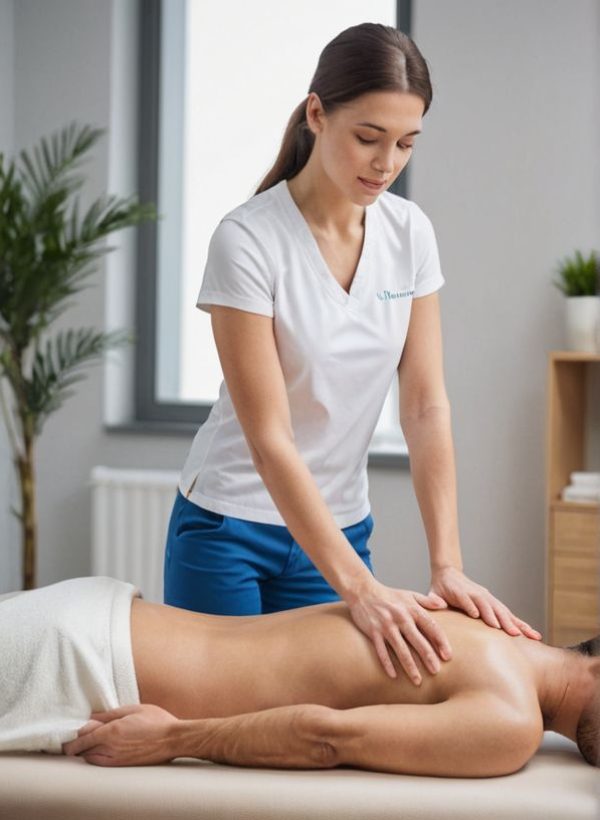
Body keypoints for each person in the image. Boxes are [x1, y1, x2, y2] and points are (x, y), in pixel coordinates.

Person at [163, 21, 542, 684]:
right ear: (317, 113)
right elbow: (268, 439)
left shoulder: (409, 234)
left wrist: (445, 564)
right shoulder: (247, 241)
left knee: (316, 728)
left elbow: (424, 406)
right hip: (230, 526)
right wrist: (361, 588)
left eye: (405, 143)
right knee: (223, 730)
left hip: (338, 530)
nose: (387, 163)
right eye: (368, 137)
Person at [0, 577, 596, 776]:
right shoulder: (511, 718)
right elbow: (327, 737)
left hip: (93, 617)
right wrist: (171, 739)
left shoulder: (493, 625)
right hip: (87, 668)